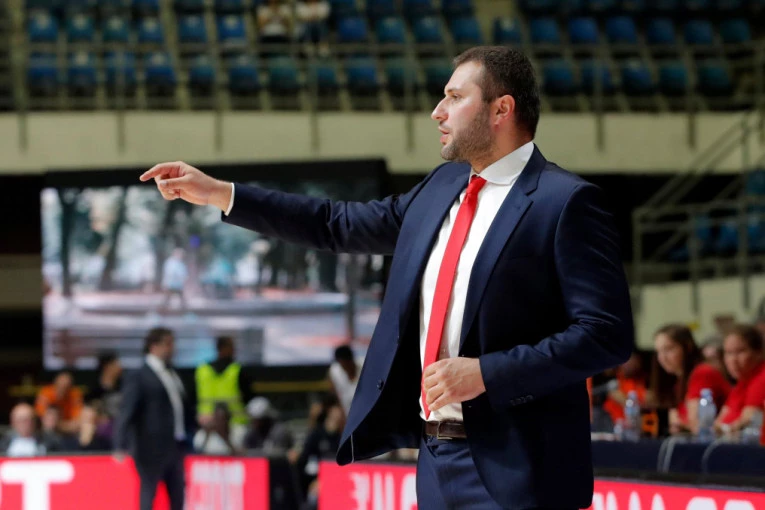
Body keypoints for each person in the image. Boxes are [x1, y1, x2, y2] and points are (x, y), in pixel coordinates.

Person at [140, 46, 633, 509]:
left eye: (454, 97)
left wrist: (486, 373)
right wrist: (222, 194)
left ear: (501, 109)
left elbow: (605, 335)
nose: (437, 112)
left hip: (524, 468)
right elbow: (335, 224)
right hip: (435, 461)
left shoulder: (564, 201)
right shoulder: (442, 186)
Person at [114, 327, 193, 510]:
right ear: (153, 346)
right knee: (149, 494)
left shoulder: (173, 373)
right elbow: (126, 410)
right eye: (168, 344)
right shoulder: (139, 376)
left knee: (178, 496)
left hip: (175, 445)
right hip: (149, 448)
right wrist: (119, 443)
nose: (172, 348)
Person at [651, 324, 730, 435]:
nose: (662, 358)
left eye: (669, 349)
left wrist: (681, 425)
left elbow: (697, 424)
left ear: (688, 347)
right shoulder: (678, 382)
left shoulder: (702, 373)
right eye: (659, 351)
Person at [714, 324, 765, 436]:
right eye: (728, 353)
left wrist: (724, 429)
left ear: (758, 353)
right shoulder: (742, 383)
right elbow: (719, 422)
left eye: (740, 351)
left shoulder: (761, 378)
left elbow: (747, 421)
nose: (733, 360)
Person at [195, 335, 253, 428]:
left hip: (222, 424)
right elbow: (249, 398)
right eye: (231, 346)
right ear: (222, 348)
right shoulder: (237, 370)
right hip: (232, 424)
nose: (234, 350)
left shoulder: (202, 370)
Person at [327, 345, 362, 417]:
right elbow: (334, 393)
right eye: (342, 364)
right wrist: (341, 411)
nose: (344, 367)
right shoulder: (334, 371)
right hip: (347, 412)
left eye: (346, 364)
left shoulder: (364, 366)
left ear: (351, 360)